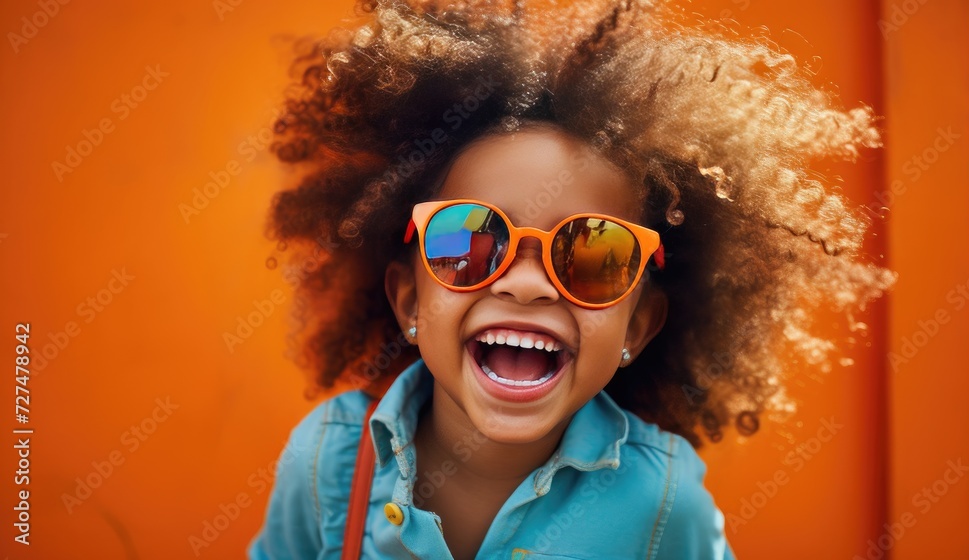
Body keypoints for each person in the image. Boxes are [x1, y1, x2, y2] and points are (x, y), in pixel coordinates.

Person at [248, 1, 895, 558]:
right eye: (472, 241)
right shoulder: (330, 461)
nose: (526, 286)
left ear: (636, 328)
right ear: (409, 299)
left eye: (594, 254)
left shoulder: (663, 505)